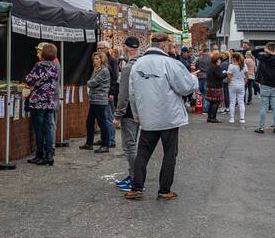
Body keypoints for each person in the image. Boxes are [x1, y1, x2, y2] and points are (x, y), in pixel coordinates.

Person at [126, 33, 199, 201]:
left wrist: (137, 115)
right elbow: (185, 87)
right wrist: (193, 79)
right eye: (170, 45)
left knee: (143, 153)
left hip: (148, 117)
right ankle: (164, 190)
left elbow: (132, 93)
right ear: (164, 45)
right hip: (169, 116)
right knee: (169, 154)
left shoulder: (137, 65)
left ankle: (137, 187)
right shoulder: (171, 63)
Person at [26, 43, 60, 166]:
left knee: (39, 129)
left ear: (43, 53)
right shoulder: (56, 66)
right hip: (50, 101)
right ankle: (49, 155)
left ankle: (40, 154)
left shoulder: (39, 65)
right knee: (48, 128)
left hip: (38, 102)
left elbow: (30, 79)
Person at [113, 37, 140, 192]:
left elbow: (124, 94)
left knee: (130, 146)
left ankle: (135, 178)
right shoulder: (143, 63)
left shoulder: (129, 67)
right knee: (134, 144)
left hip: (130, 110)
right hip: (141, 109)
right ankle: (133, 175)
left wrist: (117, 115)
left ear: (126, 48)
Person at [82, 51, 111, 153]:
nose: (95, 61)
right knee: (89, 122)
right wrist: (90, 82)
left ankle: (105, 145)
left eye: (97, 59)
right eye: (94, 59)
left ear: (102, 59)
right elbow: (92, 81)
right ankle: (89, 143)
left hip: (100, 100)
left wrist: (88, 83)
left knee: (102, 123)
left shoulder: (104, 70)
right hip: (94, 100)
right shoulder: (96, 70)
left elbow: (93, 82)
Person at [252, 42, 275, 134]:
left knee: (263, 106)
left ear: (267, 49)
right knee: (274, 107)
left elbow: (253, 52)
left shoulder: (263, 58)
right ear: (274, 49)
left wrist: (263, 50)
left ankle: (261, 127)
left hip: (265, 83)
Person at [226, 50, 247, 124]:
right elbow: (246, 76)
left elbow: (229, 77)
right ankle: (242, 118)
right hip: (241, 85)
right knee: (241, 102)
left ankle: (232, 118)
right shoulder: (243, 65)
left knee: (232, 102)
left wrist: (228, 84)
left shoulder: (231, 66)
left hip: (232, 84)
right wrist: (244, 83)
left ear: (233, 58)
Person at [203, 50, 225, 123]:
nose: (220, 61)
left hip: (210, 86)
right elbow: (220, 76)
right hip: (216, 87)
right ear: (217, 60)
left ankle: (209, 117)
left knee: (211, 102)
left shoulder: (210, 66)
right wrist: (226, 73)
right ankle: (213, 117)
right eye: (219, 59)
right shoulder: (216, 67)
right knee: (216, 102)